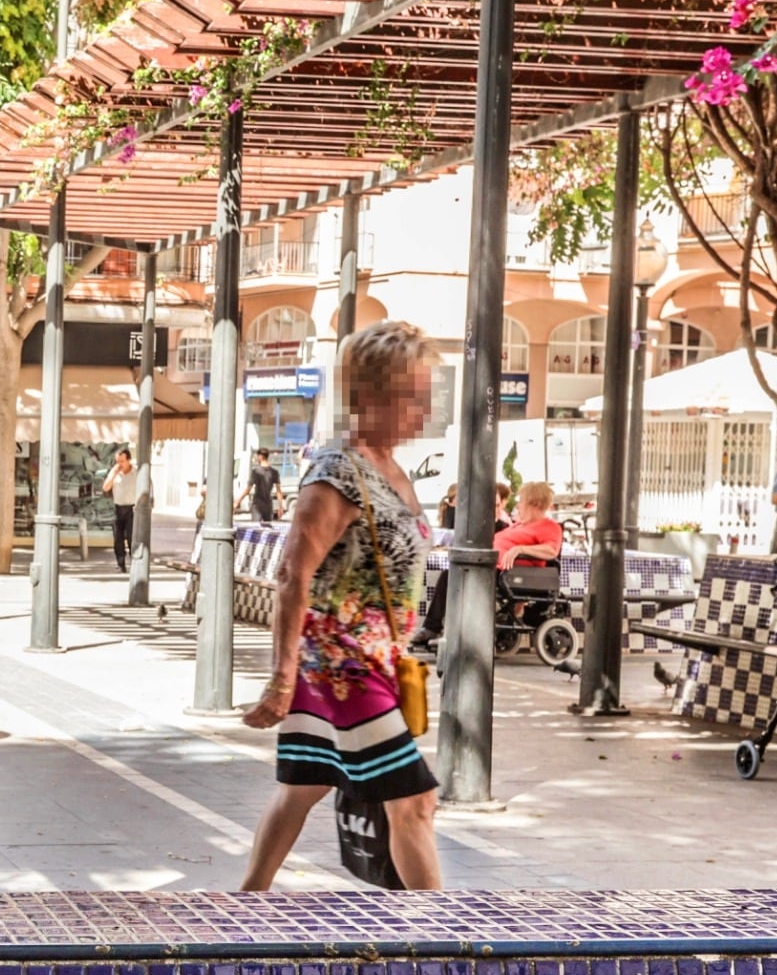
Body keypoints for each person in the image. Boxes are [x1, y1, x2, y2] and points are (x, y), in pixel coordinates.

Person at [240, 319, 442, 892]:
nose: (423, 411)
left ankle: (245, 901)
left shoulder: (392, 470)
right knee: (415, 799)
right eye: (412, 397)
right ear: (371, 396)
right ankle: (445, 940)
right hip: (341, 667)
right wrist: (281, 678)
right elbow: (291, 574)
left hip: (371, 662)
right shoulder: (336, 473)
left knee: (304, 786)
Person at [412, 480, 560, 649]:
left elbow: (551, 551)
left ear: (536, 504)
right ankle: (436, 629)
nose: (517, 506)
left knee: (453, 576)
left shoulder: (548, 526)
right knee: (451, 573)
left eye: (521, 502)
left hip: (507, 574)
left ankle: (441, 632)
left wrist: (519, 549)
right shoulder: (519, 525)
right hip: (493, 567)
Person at [104, 446, 144, 571]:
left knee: (132, 537)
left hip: (132, 508)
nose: (120, 464)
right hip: (118, 508)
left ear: (128, 460)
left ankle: (134, 563)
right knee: (118, 538)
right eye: (118, 461)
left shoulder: (136, 473)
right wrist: (114, 474)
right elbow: (105, 488)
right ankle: (120, 563)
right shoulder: (114, 472)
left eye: (122, 461)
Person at [246, 449, 283, 523]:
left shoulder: (255, 471)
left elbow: (248, 490)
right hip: (268, 504)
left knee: (255, 528)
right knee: (268, 528)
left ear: (260, 457)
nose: (256, 458)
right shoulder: (274, 472)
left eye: (257, 456)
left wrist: (237, 501)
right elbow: (278, 491)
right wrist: (280, 507)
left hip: (257, 504)